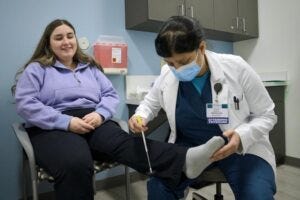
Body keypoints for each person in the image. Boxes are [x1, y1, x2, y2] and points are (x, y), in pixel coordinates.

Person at [12, 19, 228, 200]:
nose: (66, 41)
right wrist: (66, 122)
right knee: (76, 163)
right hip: (54, 126)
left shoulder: (90, 67)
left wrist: (100, 114)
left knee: (127, 144)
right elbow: (25, 103)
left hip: (92, 118)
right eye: (59, 37)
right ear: (48, 44)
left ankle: (185, 159)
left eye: (70, 35)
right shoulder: (37, 69)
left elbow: (109, 95)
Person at [129, 16, 277, 200]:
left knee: (257, 195)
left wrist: (241, 137)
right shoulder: (168, 74)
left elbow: (267, 115)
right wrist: (140, 116)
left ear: (201, 48)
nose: (177, 69)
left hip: (238, 148)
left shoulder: (236, 67)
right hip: (188, 150)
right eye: (170, 63)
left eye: (183, 62)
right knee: (159, 189)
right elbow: (150, 103)